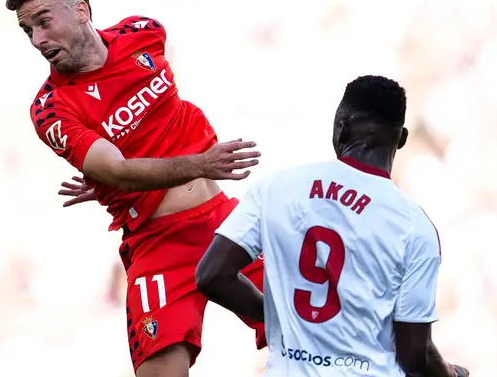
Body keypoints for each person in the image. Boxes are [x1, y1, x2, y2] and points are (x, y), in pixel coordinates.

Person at [5, 0, 266, 376]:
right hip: (158, 243)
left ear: (81, 11)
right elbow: (119, 170)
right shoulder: (50, 109)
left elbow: (166, 114)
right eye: (28, 31)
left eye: (43, 21)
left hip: (224, 221)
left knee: (311, 323)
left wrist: (116, 181)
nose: (38, 40)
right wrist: (194, 165)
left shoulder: (143, 32)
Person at [195, 76, 469, 376]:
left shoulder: (276, 188)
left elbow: (212, 275)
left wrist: (284, 319)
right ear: (401, 139)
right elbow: (415, 356)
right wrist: (451, 374)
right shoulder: (414, 227)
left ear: (341, 128)